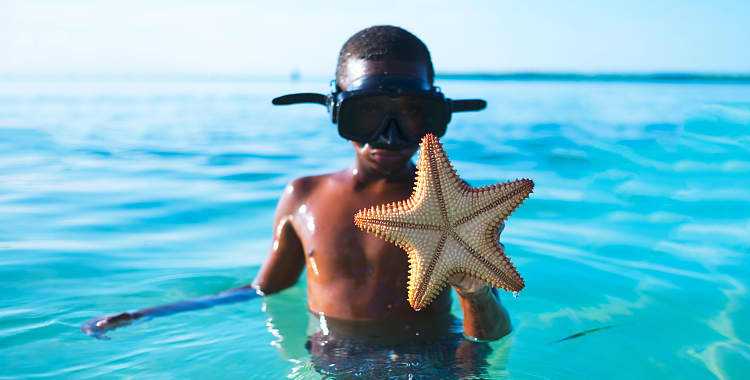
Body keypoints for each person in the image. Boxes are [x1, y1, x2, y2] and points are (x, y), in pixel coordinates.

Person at [83, 25, 512, 375]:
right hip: (331, 360)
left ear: (436, 116)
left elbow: (489, 334)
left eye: (413, 113)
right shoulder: (304, 197)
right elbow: (262, 289)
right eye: (367, 113)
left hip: (434, 362)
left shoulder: (461, 210)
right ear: (336, 111)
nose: (390, 134)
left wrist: (474, 291)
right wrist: (152, 313)